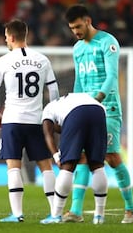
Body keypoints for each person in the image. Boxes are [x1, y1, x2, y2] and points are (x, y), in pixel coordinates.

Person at [63, 4, 133, 223]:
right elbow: (78, 80)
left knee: (112, 157)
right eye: (71, 28)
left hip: (107, 108)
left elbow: (112, 76)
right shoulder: (77, 49)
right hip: (85, 108)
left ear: (87, 21)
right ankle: (76, 211)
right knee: (83, 157)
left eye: (78, 26)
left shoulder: (108, 42)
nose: (75, 32)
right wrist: (75, 104)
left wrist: (96, 98)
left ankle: (131, 209)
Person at [0, 19, 59, 223]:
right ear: (25, 35)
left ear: (10, 37)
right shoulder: (42, 59)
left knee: (14, 166)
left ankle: (17, 214)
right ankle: (55, 212)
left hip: (12, 120)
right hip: (36, 120)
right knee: (45, 165)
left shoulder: (3, 61)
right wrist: (50, 114)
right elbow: (53, 89)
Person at [41, 93, 108, 224]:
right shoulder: (68, 100)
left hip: (76, 113)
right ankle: (99, 216)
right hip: (99, 111)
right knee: (97, 165)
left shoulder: (48, 110)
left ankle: (56, 215)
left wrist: (56, 156)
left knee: (67, 167)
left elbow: (48, 135)